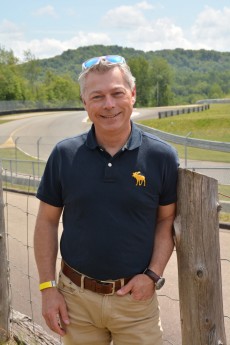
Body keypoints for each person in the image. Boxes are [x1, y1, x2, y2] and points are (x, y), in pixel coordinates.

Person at [34, 55, 179, 345]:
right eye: (97, 96)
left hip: (136, 303)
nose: (109, 104)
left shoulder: (161, 157)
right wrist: (48, 288)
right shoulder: (64, 154)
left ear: (133, 95)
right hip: (75, 301)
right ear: (84, 102)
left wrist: (152, 275)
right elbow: (47, 221)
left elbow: (166, 220)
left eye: (117, 93)